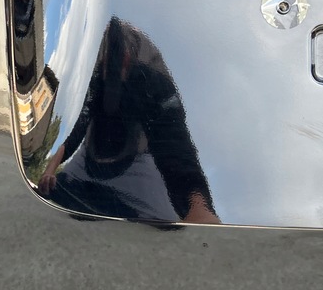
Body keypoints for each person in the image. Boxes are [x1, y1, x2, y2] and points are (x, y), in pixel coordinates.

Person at [38, 17, 219, 224]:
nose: (113, 71)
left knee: (166, 227)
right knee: (50, 194)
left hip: (137, 165)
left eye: (119, 62)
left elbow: (174, 143)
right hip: (87, 160)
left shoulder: (152, 83)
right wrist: (50, 170)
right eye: (107, 63)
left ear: (128, 57)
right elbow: (78, 127)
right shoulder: (96, 76)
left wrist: (198, 205)